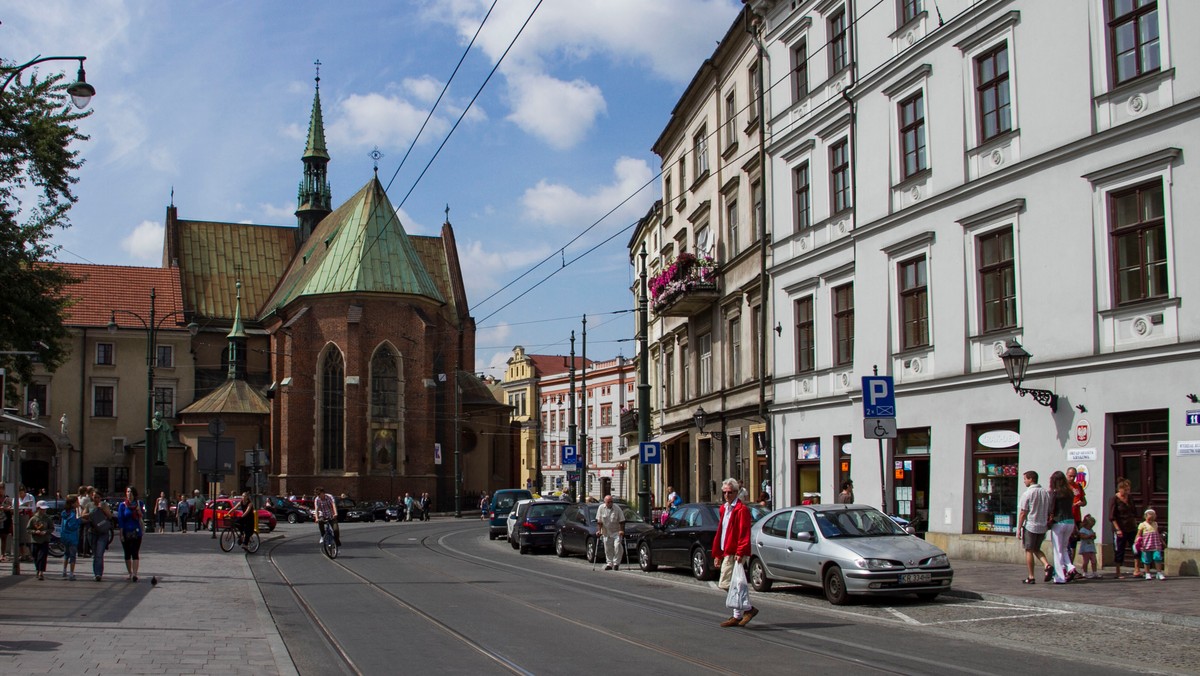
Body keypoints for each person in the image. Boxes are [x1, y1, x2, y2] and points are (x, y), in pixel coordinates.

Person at [713, 478, 757, 627]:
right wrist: (718, 554)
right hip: (727, 550)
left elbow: (744, 532)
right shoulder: (724, 509)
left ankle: (748, 609)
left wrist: (740, 551)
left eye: (729, 492)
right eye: (724, 492)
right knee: (734, 583)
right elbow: (721, 532)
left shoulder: (741, 510)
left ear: (736, 492)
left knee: (725, 583)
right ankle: (737, 615)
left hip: (735, 551)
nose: (726, 495)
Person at [1017, 470, 1052, 584]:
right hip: (1042, 526)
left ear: (1031, 479)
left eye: (1025, 479)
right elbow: (1049, 509)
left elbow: (1023, 512)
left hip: (1031, 525)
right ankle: (1047, 565)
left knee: (1029, 550)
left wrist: (1018, 528)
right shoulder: (1045, 492)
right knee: (1037, 548)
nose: (1024, 481)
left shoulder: (1028, 493)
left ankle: (1031, 576)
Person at [1047, 471, 1079, 584]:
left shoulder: (1054, 493)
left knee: (1057, 550)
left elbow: (1051, 508)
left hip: (1058, 522)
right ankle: (1071, 567)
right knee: (1064, 548)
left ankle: (1060, 576)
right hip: (1070, 521)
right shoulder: (1069, 492)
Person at [1109, 477, 1141, 579]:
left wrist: (1136, 525)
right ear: (1120, 489)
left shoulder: (1130, 498)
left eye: (1128, 489)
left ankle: (1137, 569)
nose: (1127, 492)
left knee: (1136, 547)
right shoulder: (1114, 499)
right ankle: (1118, 571)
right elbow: (1112, 516)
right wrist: (1117, 529)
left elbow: (1134, 512)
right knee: (1119, 549)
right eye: (1125, 489)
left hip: (1131, 526)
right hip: (1120, 527)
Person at [116, 486, 145, 582]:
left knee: (135, 553)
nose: (129, 494)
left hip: (136, 531)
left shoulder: (139, 503)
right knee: (127, 553)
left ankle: (135, 574)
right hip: (126, 531)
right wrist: (121, 533)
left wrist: (138, 510)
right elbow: (121, 520)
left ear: (134, 494)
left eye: (131, 492)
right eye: (127, 492)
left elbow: (141, 516)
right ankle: (130, 573)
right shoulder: (122, 505)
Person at [595, 494, 626, 571]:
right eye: (608, 502)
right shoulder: (601, 508)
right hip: (606, 532)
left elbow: (622, 520)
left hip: (616, 531)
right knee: (608, 548)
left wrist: (621, 530)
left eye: (611, 502)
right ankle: (609, 563)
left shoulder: (617, 508)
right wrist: (599, 530)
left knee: (617, 546)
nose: (610, 503)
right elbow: (599, 521)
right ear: (605, 502)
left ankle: (616, 563)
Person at [1136, 508, 1166, 580]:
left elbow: (1157, 533)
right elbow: (1138, 534)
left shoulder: (1155, 524)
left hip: (1155, 544)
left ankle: (1159, 572)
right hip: (1146, 545)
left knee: (1157, 557)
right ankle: (1147, 573)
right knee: (1146, 559)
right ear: (1145, 517)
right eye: (1149, 518)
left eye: (1152, 518)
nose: (1150, 520)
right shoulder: (1142, 524)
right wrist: (1137, 542)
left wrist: (1162, 541)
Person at [90, 490, 114, 581]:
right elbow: (83, 515)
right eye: (94, 497)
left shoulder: (104, 505)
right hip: (92, 532)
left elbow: (110, 516)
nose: (96, 499)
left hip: (103, 532)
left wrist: (102, 510)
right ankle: (96, 572)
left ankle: (98, 574)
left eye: (98, 497)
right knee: (95, 554)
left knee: (99, 554)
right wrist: (91, 514)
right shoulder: (89, 505)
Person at [28, 500, 54, 580]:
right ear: (38, 508)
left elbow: (52, 528)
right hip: (35, 540)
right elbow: (28, 529)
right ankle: (38, 569)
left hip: (44, 540)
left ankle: (41, 572)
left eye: (45, 509)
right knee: (35, 556)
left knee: (42, 556)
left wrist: (46, 531)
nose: (44, 510)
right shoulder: (33, 519)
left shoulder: (48, 518)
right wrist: (35, 531)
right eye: (42, 509)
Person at [1066, 466, 1086, 561]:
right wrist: (1072, 504)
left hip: (1077, 517)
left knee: (1073, 543)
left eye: (1074, 476)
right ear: (1066, 475)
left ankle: (1071, 566)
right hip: (1067, 517)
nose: (1072, 478)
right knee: (1067, 543)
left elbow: (1084, 501)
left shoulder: (1078, 486)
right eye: (1070, 476)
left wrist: (1081, 503)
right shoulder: (1064, 487)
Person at [60, 495, 80, 580]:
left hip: (64, 536)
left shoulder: (65, 513)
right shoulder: (72, 514)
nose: (78, 503)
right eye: (77, 502)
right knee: (72, 555)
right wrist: (79, 520)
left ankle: (64, 571)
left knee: (66, 554)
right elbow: (72, 526)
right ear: (73, 503)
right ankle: (71, 573)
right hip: (72, 537)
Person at [1077, 514, 1099, 578]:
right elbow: (1082, 537)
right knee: (1086, 561)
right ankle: (1085, 572)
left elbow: (1093, 537)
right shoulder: (1083, 530)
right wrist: (1089, 536)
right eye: (1091, 525)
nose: (1091, 527)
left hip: (1091, 548)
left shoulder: (1091, 530)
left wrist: (1094, 536)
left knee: (1094, 561)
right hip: (1085, 549)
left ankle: (1094, 572)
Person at [0, 484, 11, 563]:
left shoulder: (7, 498)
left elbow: (11, 507)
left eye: (2, 488)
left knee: (4, 537)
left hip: (5, 519)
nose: (1, 490)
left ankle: (3, 554)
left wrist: (7, 508)